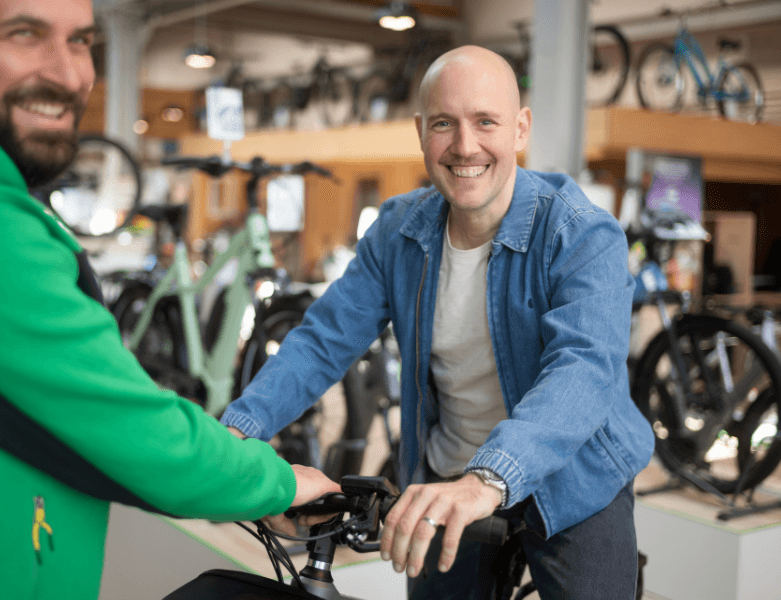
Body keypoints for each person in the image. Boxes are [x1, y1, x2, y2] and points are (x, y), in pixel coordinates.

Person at [0, 0, 339, 597]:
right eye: (25, 34)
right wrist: (274, 483)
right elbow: (131, 430)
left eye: (81, 43)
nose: (69, 75)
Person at [222, 45, 655, 599]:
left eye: (486, 122)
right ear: (421, 131)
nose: (465, 145)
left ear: (520, 129)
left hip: (574, 474)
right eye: (444, 124)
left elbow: (583, 370)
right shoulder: (399, 232)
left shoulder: (581, 234)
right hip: (452, 472)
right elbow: (323, 340)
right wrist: (238, 433)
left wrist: (489, 479)